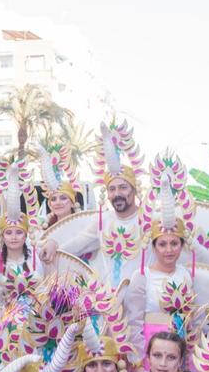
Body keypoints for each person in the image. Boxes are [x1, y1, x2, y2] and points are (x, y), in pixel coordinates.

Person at [40, 120, 148, 359]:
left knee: (134, 362)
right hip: (102, 307)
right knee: (100, 361)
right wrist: (54, 244)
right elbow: (77, 245)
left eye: (123, 188)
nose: (117, 194)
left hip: (137, 310)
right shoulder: (104, 220)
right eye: (112, 189)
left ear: (134, 190)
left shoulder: (148, 221)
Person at [141, 155, 197, 352]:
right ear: (154, 247)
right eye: (162, 244)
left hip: (180, 345)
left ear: (182, 246)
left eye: (174, 243)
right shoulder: (143, 276)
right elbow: (132, 321)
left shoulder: (185, 274)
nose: (169, 249)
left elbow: (191, 316)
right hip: (151, 345)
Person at [0, 159, 44, 319]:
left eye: (18, 232)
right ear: (2, 235)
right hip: (5, 325)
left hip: (33, 324)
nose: (13, 237)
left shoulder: (36, 259)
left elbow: (42, 295)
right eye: (9, 233)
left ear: (26, 234)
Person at [37, 143, 81, 227]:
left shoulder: (83, 226)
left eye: (63, 198)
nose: (58, 203)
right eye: (53, 199)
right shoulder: (43, 230)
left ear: (73, 203)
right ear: (50, 205)